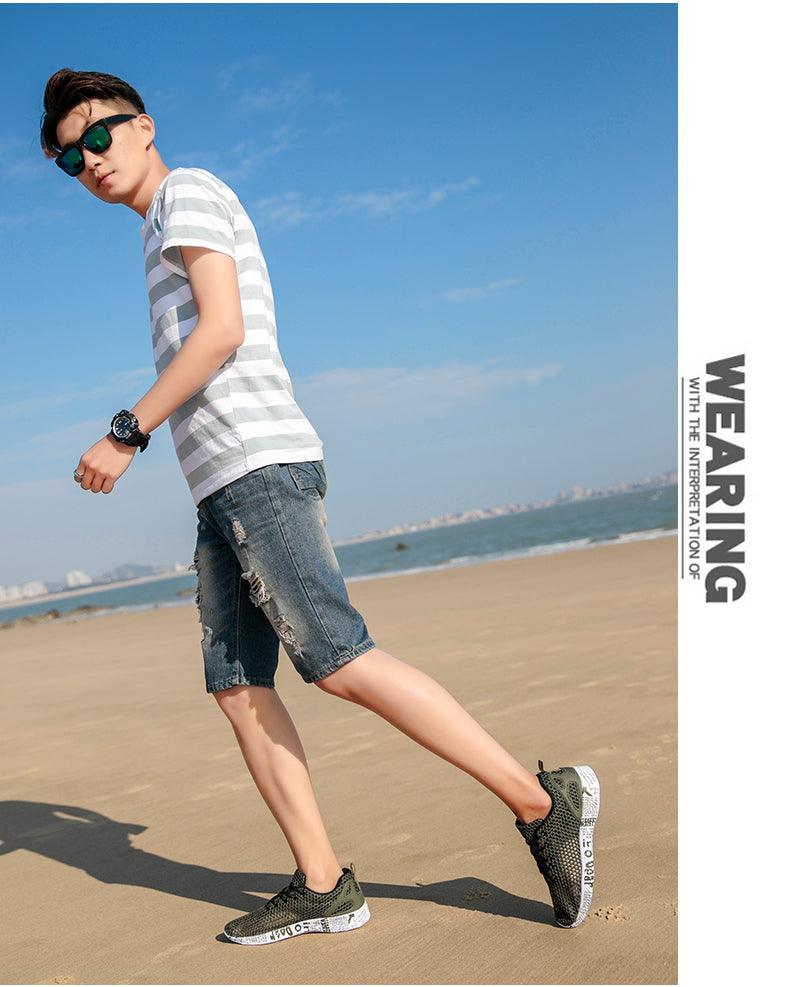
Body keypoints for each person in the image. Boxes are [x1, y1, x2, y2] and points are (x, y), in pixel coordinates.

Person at [39, 68, 600, 946]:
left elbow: (221, 330)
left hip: (258, 468)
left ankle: (541, 800)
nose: (90, 160)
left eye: (98, 135)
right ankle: (324, 882)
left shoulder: (187, 193)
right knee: (237, 686)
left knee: (339, 661)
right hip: (221, 485)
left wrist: (127, 431)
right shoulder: (156, 228)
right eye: (70, 156)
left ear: (143, 126)